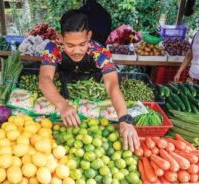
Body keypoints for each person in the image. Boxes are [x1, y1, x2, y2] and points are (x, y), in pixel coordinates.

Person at [39, 10, 139, 151]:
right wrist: (62, 105)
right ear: (61, 38)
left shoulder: (100, 52)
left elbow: (112, 84)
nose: (77, 51)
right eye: (70, 45)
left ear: (89, 36)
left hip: (94, 97)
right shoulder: (53, 48)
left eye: (82, 44)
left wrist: (124, 119)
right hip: (66, 92)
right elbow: (44, 79)